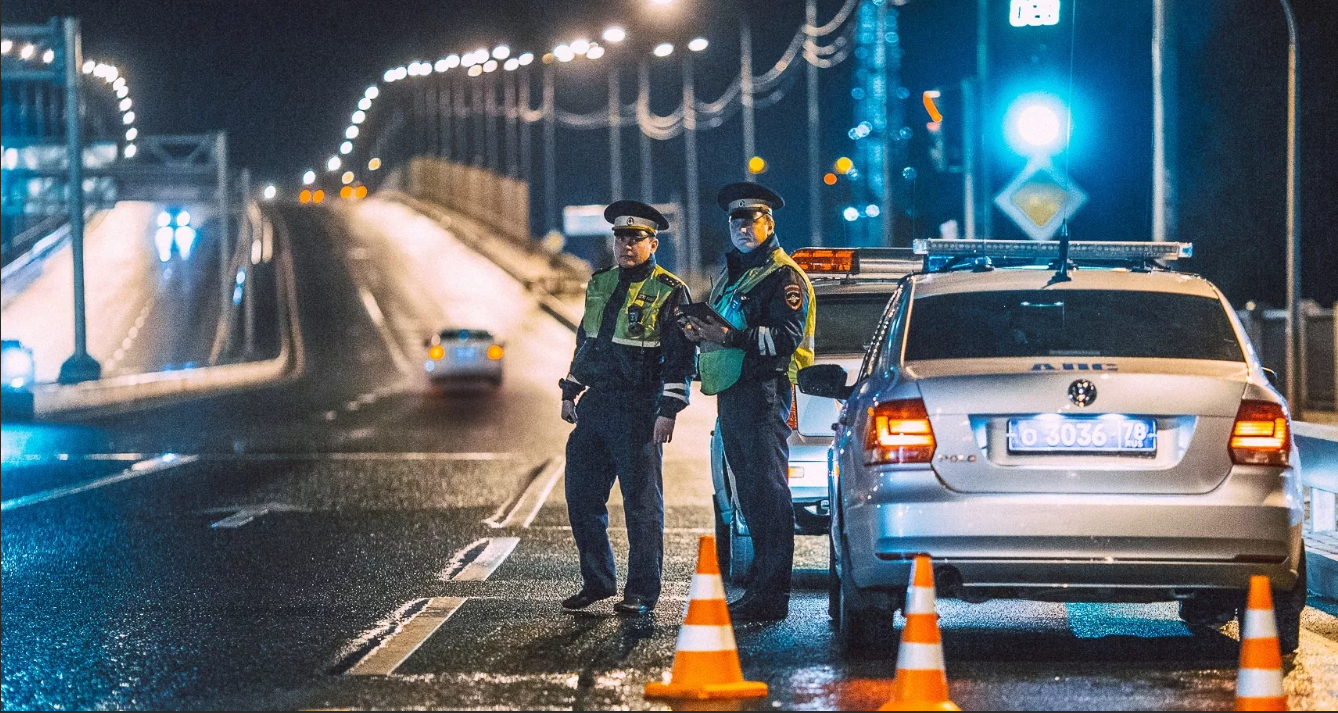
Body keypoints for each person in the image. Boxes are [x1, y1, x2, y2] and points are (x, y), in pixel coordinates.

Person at [680, 182, 815, 622]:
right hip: (735, 393)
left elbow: (785, 338)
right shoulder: (734, 274)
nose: (741, 229)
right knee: (750, 495)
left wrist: (730, 336)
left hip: (764, 391)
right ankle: (760, 585)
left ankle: (772, 595)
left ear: (768, 225)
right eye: (735, 222)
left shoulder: (783, 277)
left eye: (750, 221)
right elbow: (724, 329)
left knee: (768, 494)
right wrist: (699, 332)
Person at [558, 200, 694, 616]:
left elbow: (680, 357)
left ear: (653, 244)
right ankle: (597, 582)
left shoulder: (670, 290)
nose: (626, 246)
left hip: (639, 408)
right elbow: (587, 342)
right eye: (620, 238)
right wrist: (571, 390)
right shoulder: (599, 283)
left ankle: (641, 593)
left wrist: (669, 409)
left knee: (642, 507)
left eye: (635, 239)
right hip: (597, 404)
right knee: (581, 497)